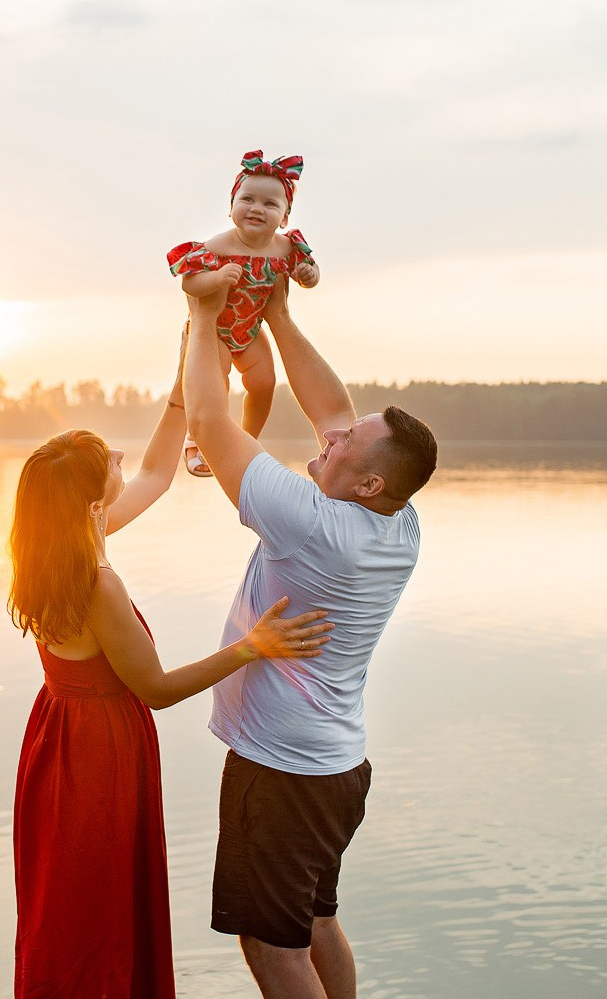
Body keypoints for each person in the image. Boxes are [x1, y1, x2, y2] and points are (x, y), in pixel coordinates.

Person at [7, 354, 334, 999]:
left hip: (56, 744)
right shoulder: (96, 581)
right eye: (108, 457)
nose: (121, 456)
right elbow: (154, 690)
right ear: (91, 493)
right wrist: (253, 646)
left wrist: (187, 383)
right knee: (97, 906)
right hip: (97, 753)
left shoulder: (56, 545)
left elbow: (158, 472)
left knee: (66, 898)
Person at [182, 278, 438, 999]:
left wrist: (204, 315)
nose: (331, 435)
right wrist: (280, 315)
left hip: (283, 772)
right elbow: (332, 408)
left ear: (369, 481)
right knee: (317, 921)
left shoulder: (311, 522)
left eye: (348, 443)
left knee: (272, 945)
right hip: (336, 769)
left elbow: (207, 416)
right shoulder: (399, 523)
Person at [168, 149, 320, 476]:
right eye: (247, 199)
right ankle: (197, 439)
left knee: (265, 382)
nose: (256, 208)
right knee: (213, 387)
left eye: (270, 204)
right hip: (213, 334)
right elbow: (189, 285)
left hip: (249, 330)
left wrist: (310, 275)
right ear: (231, 206)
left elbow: (307, 270)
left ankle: (248, 439)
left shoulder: (286, 247)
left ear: (285, 217)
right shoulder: (217, 247)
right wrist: (216, 278)